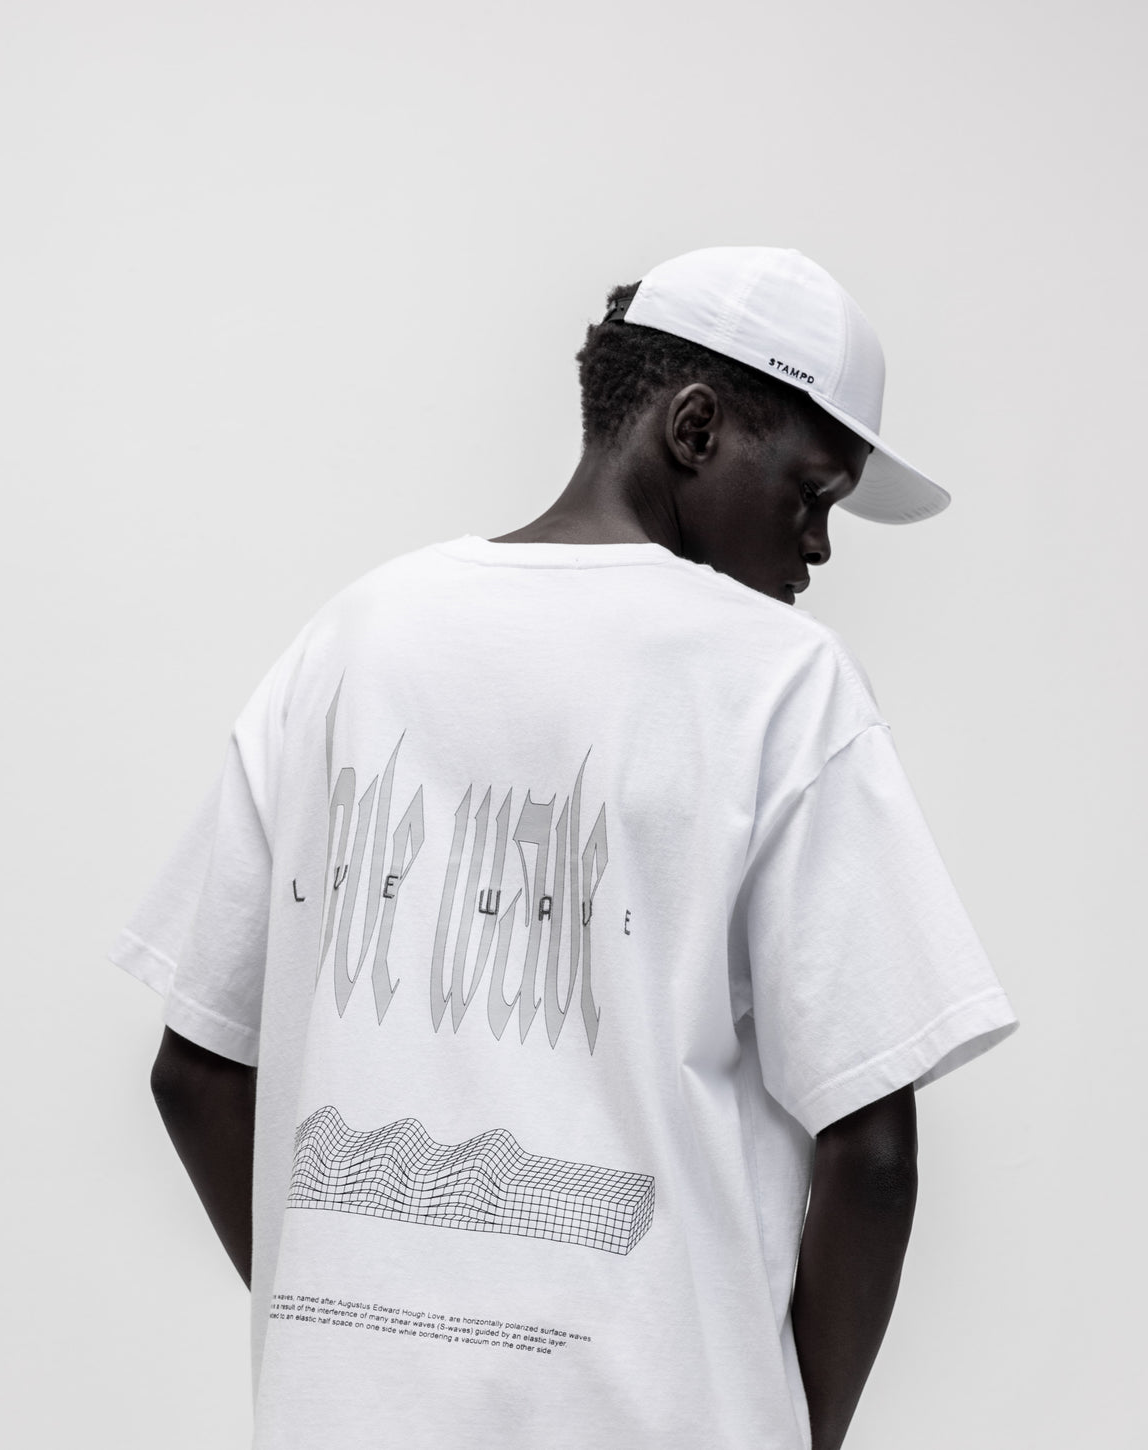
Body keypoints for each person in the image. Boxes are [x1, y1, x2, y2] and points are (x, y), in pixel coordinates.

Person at [108, 245, 1020, 1450]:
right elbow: (872, 1145)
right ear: (692, 429)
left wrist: (343, 1335)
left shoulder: (351, 640)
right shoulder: (776, 683)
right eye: (810, 494)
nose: (817, 547)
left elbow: (195, 1070)